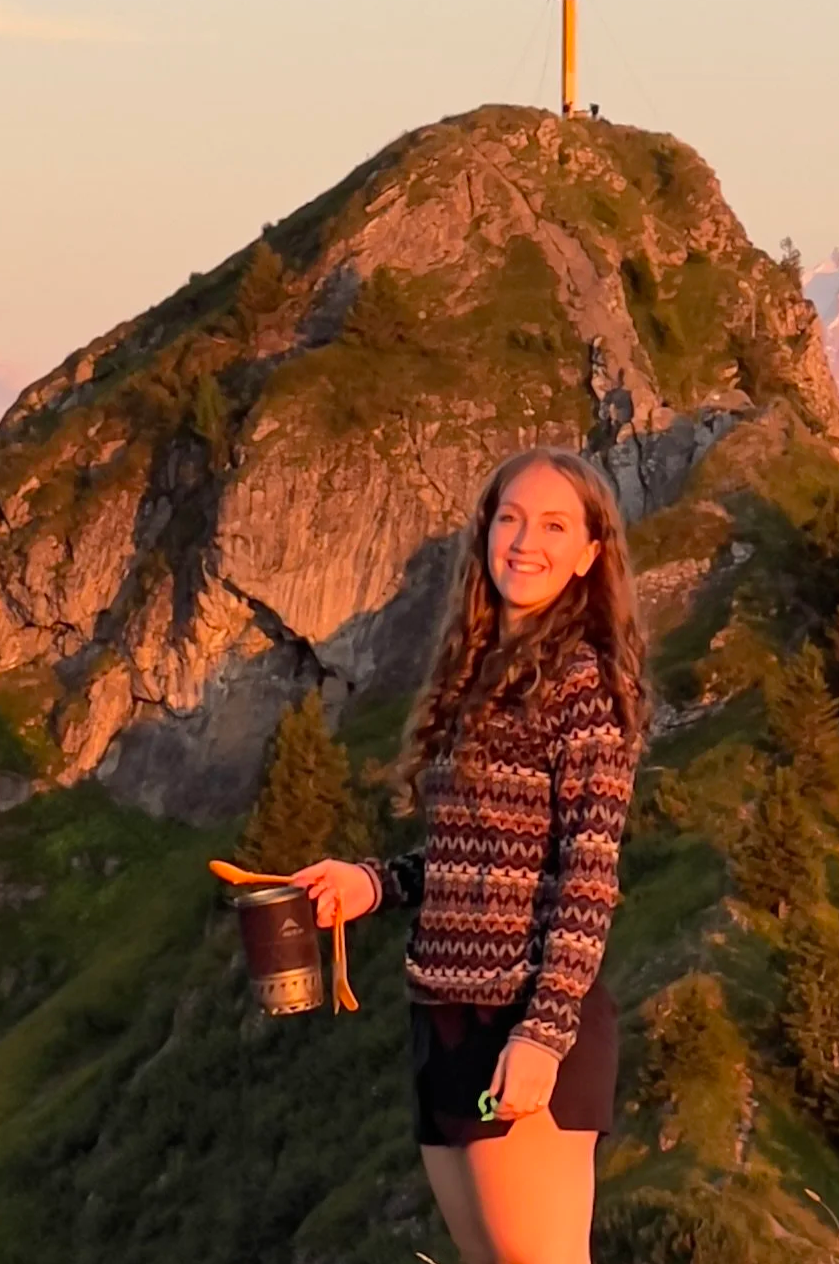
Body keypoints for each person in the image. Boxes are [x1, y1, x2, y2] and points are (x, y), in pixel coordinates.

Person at [294, 447, 647, 1264]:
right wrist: (372, 884)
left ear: (591, 554)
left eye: (554, 525)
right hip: (442, 1012)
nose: (525, 540)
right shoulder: (481, 673)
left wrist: (544, 1034)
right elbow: (474, 858)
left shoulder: (582, 683)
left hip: (520, 1017)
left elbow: (585, 876)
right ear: (486, 530)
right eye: (510, 517)